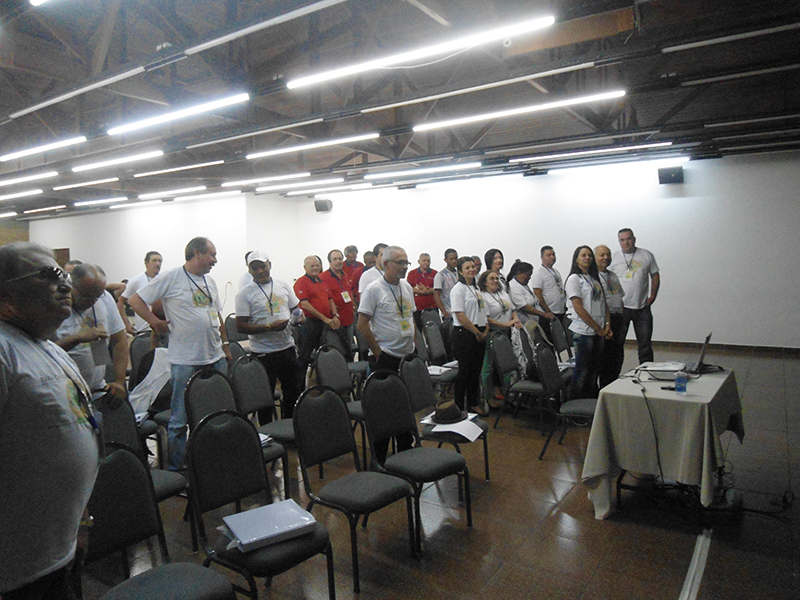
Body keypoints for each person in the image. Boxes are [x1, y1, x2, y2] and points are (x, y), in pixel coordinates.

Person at [0, 242, 99, 598]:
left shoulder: (50, 348)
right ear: (6, 295)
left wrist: (81, 521)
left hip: (60, 548)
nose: (64, 284)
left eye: (63, 274)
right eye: (47, 275)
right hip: (18, 568)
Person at [129, 237, 232, 471]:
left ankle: (208, 460)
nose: (215, 260)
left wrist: (225, 344)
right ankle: (177, 469)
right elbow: (135, 300)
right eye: (212, 255)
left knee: (214, 413)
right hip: (186, 360)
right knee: (179, 419)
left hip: (214, 357)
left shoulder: (209, 281)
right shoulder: (172, 277)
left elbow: (217, 314)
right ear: (197, 253)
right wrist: (154, 322)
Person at [357, 245, 415, 461]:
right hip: (385, 357)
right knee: (383, 411)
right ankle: (380, 460)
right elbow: (362, 324)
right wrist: (377, 352)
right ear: (386, 263)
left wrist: (414, 346)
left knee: (404, 407)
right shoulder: (374, 289)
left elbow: (410, 318)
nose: (404, 267)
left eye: (406, 262)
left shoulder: (407, 287)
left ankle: (405, 454)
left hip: (406, 356)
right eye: (400, 263)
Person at [235, 251, 304, 419]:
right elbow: (240, 326)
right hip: (263, 353)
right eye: (255, 268)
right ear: (249, 269)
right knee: (265, 399)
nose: (260, 271)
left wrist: (298, 319)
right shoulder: (244, 293)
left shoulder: (283, 285)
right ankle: (266, 431)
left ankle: (290, 426)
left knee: (293, 392)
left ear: (270, 265)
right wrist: (268, 327)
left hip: (287, 348)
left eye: (263, 266)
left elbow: (296, 310)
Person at [54, 264, 128, 405]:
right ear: (71, 286)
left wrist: (119, 381)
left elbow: (119, 340)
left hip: (97, 390)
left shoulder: (105, 298)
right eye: (86, 296)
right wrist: (77, 338)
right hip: (64, 395)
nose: (92, 302)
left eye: (96, 297)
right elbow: (41, 353)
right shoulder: (54, 305)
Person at [565, 246, 611, 399]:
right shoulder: (574, 279)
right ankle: (575, 401)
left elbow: (603, 304)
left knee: (594, 368)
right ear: (576, 259)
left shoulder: (594, 278)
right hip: (584, 331)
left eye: (590, 255)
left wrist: (607, 325)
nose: (587, 258)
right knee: (583, 370)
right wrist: (598, 328)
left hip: (599, 330)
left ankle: (590, 400)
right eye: (583, 255)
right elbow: (578, 308)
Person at [610, 228, 660, 364]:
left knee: (645, 345)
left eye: (629, 239)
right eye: (622, 240)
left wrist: (653, 296)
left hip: (642, 307)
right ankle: (614, 374)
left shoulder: (646, 255)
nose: (626, 242)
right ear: (619, 242)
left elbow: (655, 275)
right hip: (621, 309)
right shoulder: (614, 258)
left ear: (634, 239)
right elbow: (606, 279)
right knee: (617, 344)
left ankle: (646, 372)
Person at [450, 256, 489, 415]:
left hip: (479, 331)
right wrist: (476, 332)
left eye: (473, 266)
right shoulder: (458, 289)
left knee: (476, 371)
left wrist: (485, 328)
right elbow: (460, 315)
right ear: (460, 271)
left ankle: (473, 403)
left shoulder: (476, 288)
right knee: (465, 372)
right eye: (467, 268)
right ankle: (459, 407)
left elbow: (482, 310)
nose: (471, 270)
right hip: (464, 333)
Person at [478, 269, 521, 408]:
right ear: (484, 282)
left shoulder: (503, 293)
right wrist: (505, 324)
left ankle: (510, 396)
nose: (495, 281)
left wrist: (515, 320)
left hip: (506, 333)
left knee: (507, 366)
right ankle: (488, 397)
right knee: (488, 368)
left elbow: (512, 309)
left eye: (497, 278)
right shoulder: (482, 296)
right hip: (492, 333)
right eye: (492, 279)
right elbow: (486, 318)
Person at [294, 255, 340, 368]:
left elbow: (330, 299)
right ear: (305, 267)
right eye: (312, 266)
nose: (315, 268)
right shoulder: (301, 282)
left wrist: (335, 315)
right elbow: (305, 305)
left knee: (324, 354)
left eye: (317, 265)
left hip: (324, 324)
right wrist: (325, 319)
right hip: (309, 324)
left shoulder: (322, 281)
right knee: (305, 356)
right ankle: (301, 379)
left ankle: (323, 378)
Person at [595, 244, 626, 388]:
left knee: (617, 355)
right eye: (602, 255)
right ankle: (605, 388)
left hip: (618, 318)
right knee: (605, 358)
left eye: (608, 254)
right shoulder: (593, 277)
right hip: (605, 321)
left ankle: (614, 384)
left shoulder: (612, 275)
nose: (606, 257)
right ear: (594, 257)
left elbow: (619, 296)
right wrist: (605, 325)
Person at [321, 249, 356, 360]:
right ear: (330, 262)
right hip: (334, 322)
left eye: (340, 259)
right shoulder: (323, 278)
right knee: (337, 353)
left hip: (348, 319)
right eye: (335, 259)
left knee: (349, 351)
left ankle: (349, 370)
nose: (338, 261)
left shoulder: (345, 275)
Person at [117, 250, 162, 335]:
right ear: (146, 263)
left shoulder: (164, 281)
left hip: (162, 330)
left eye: (159, 261)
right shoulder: (136, 281)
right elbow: (120, 302)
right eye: (154, 260)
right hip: (144, 331)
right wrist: (126, 324)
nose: (157, 264)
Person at [531, 246, 566, 340]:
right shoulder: (539, 273)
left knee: (561, 340)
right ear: (542, 257)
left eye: (553, 254)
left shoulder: (556, 272)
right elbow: (538, 295)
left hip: (560, 312)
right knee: (550, 340)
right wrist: (548, 312)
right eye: (549, 255)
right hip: (548, 314)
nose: (552, 257)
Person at [433, 248, 459, 359]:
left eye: (456, 258)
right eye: (451, 259)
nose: (454, 261)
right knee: (452, 345)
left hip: (461, 314)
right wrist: (444, 312)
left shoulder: (460, 273)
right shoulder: (440, 275)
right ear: (445, 260)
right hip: (449, 315)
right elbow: (436, 295)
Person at [507, 260, 550, 326]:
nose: (529, 278)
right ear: (519, 273)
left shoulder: (524, 285)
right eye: (528, 275)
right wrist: (543, 314)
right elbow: (524, 307)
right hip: (524, 323)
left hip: (534, 321)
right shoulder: (513, 287)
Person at [406, 252, 438, 329]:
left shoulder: (435, 273)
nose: (426, 263)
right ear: (419, 261)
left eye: (428, 261)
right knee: (418, 329)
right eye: (424, 260)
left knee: (433, 329)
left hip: (432, 307)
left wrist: (428, 291)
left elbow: (438, 289)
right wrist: (420, 292)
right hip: (417, 307)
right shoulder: (412, 273)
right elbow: (408, 288)